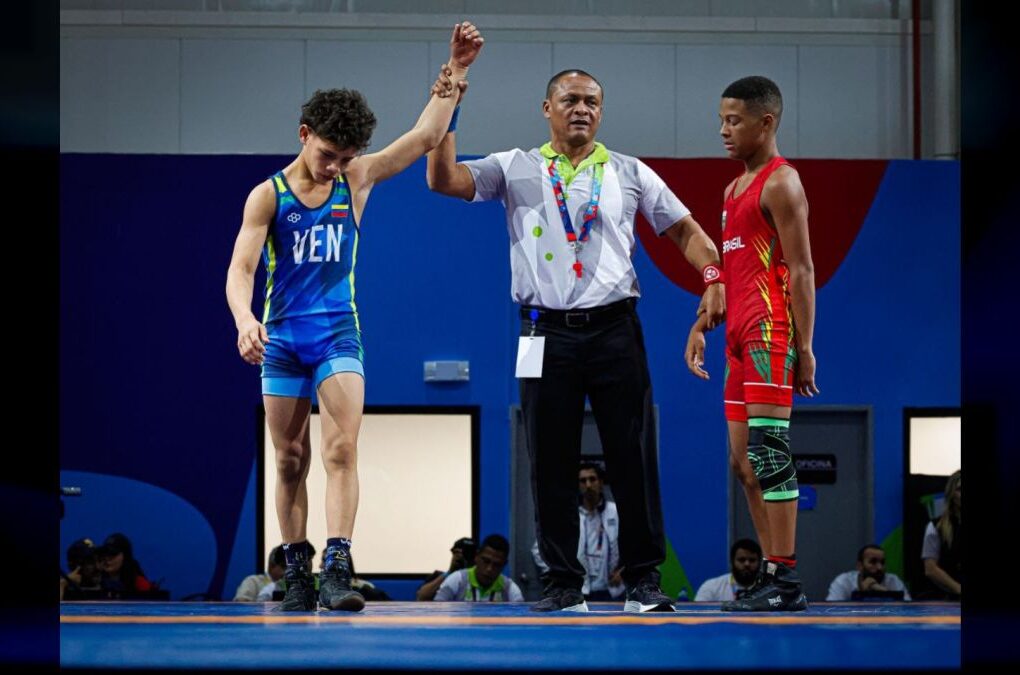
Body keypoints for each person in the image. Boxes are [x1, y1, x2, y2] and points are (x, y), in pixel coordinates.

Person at [426, 67, 724, 613]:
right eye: (570, 100)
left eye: (591, 101)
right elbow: (442, 179)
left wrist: (712, 277)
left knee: (633, 456)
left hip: (616, 330)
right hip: (543, 332)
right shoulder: (514, 166)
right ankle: (564, 584)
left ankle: (643, 582)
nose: (581, 109)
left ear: (601, 111)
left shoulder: (630, 172)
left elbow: (685, 230)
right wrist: (449, 108)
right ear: (548, 108)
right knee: (548, 459)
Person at [225, 22, 484, 613]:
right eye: (327, 155)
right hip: (282, 339)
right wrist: (244, 319)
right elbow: (241, 269)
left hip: (338, 334)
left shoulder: (356, 179)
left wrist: (457, 68)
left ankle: (338, 569)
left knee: (342, 449)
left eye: (345, 158)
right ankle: (297, 572)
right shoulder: (268, 196)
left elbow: (424, 137)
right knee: (289, 458)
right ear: (304, 135)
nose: (334, 167)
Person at [685, 75, 817, 611]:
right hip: (737, 337)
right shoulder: (732, 190)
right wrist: (700, 322)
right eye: (721, 119)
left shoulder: (782, 183)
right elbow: (732, 274)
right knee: (742, 464)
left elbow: (802, 269)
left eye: (734, 121)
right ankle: (771, 571)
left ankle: (785, 578)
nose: (723, 130)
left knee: (769, 451)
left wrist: (805, 347)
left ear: (766, 123)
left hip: (769, 332)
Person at [531, 461, 624, 601]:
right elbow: (538, 549)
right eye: (583, 481)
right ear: (578, 485)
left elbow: (636, 545)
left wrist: (624, 571)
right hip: (579, 591)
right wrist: (560, 574)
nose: (588, 485)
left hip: (612, 591)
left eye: (592, 479)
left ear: (601, 483)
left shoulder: (616, 512)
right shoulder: (568, 516)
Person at [434, 534, 523, 602]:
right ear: (476, 556)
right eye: (486, 561)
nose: (489, 569)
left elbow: (521, 618)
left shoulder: (510, 589)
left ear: (504, 564)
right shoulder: (458, 580)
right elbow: (438, 610)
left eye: (496, 564)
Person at [921, 470, 961, 600]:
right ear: (951, 494)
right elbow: (930, 569)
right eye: (959, 489)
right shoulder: (936, 527)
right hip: (946, 599)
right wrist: (958, 589)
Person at [826, 544, 911, 601]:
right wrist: (861, 594)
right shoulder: (843, 582)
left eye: (882, 562)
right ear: (860, 566)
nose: (880, 567)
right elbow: (831, 612)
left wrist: (884, 592)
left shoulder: (893, 581)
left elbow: (907, 610)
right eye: (873, 562)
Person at [694, 538, 762, 602]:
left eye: (752, 560)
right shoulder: (712, 587)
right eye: (741, 560)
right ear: (732, 562)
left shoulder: (767, 589)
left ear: (760, 562)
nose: (747, 564)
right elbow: (698, 610)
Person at [416, 537, 477, 601]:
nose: (460, 556)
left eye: (466, 554)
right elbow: (421, 597)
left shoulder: (481, 579)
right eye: (456, 552)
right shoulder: (437, 576)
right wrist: (449, 573)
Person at [96, 533, 155, 597]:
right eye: (105, 553)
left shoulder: (140, 584)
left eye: (113, 554)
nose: (107, 558)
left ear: (125, 557)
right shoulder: (97, 582)